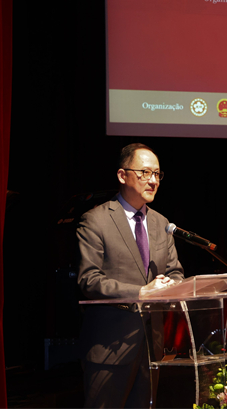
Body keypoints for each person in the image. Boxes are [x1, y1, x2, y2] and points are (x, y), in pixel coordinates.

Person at [77, 143, 184, 408]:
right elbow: (89, 279)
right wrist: (140, 292)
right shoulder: (95, 220)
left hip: (151, 347)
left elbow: (175, 272)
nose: (153, 181)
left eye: (157, 174)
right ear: (122, 175)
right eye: (145, 172)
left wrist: (171, 285)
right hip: (110, 346)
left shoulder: (162, 223)